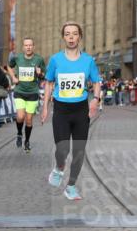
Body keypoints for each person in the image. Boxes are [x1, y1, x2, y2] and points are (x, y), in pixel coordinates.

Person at [41, 22, 102, 201]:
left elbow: (96, 82)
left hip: (81, 110)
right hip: (61, 110)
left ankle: (71, 186)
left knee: (79, 151)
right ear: (63, 37)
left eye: (74, 34)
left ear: (79, 37)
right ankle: (59, 167)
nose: (71, 37)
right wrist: (45, 107)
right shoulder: (55, 60)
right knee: (62, 149)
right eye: (67, 34)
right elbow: (49, 83)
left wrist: (95, 100)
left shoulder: (88, 60)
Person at [7, 37, 45, 152]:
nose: (28, 47)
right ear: (23, 47)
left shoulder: (39, 59)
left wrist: (40, 74)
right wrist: (13, 77)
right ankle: (19, 133)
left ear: (33, 47)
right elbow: (8, 66)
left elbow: (44, 75)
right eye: (26, 45)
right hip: (20, 91)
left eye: (30, 45)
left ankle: (27, 141)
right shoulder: (17, 58)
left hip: (32, 93)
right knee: (20, 116)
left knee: (29, 119)